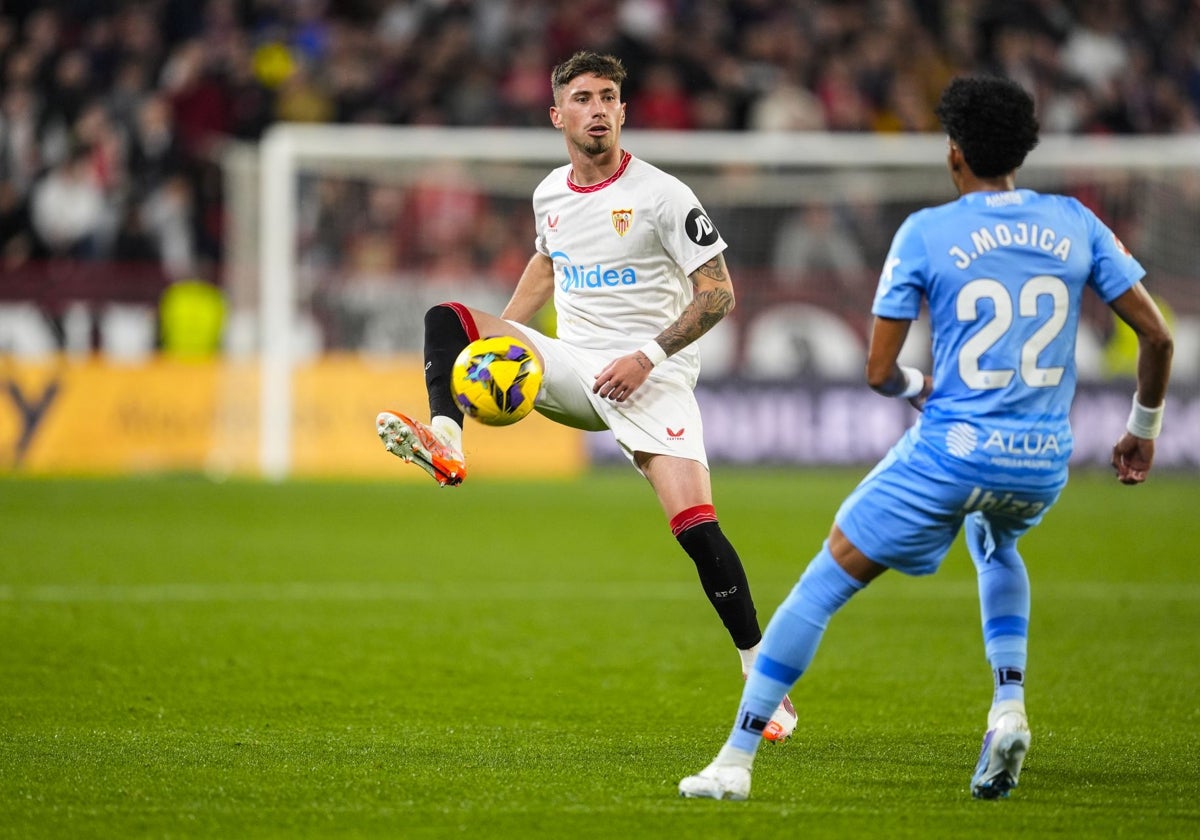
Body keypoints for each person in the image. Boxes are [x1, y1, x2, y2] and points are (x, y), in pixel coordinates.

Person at [678, 75, 1173, 802]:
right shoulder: (1075, 221)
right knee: (998, 542)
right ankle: (1008, 707)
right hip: (1040, 462)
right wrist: (1142, 430)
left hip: (952, 451)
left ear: (953, 154)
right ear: (1023, 151)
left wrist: (917, 390)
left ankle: (734, 760)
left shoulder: (927, 232)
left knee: (825, 578)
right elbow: (1157, 337)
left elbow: (879, 370)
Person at [375, 50, 797, 742]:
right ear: (557, 115)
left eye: (608, 97)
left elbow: (718, 293)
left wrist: (649, 355)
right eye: (583, 98)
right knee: (447, 318)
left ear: (623, 111)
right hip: (572, 365)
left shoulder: (664, 195)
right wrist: (496, 349)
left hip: (651, 379)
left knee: (696, 528)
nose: (597, 109)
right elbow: (547, 263)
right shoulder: (551, 194)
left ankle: (761, 676)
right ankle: (446, 439)